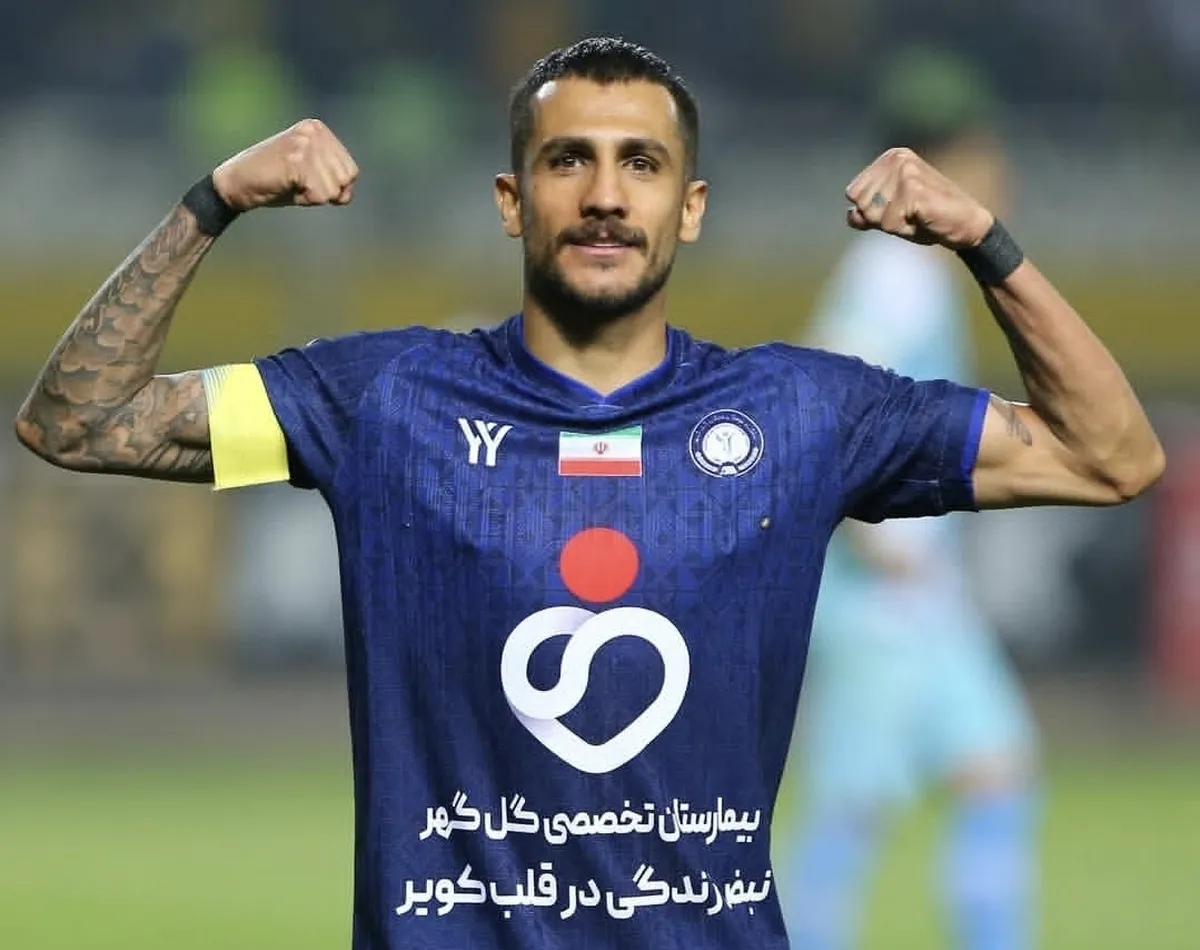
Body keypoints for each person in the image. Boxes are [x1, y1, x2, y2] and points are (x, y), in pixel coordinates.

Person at [13, 36, 1163, 950]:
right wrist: (214, 199)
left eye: (641, 164)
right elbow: (75, 419)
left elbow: (1109, 455)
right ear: (511, 199)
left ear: (691, 206)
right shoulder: (387, 402)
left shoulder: (800, 414)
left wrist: (983, 240)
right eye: (569, 160)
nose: (606, 194)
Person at [780, 49, 1041, 950]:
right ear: (943, 167)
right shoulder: (889, 274)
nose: (1001, 174)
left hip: (927, 603)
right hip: (880, 605)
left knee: (996, 772)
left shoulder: (920, 274)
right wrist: (872, 534)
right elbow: (820, 396)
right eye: (986, 155)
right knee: (851, 812)